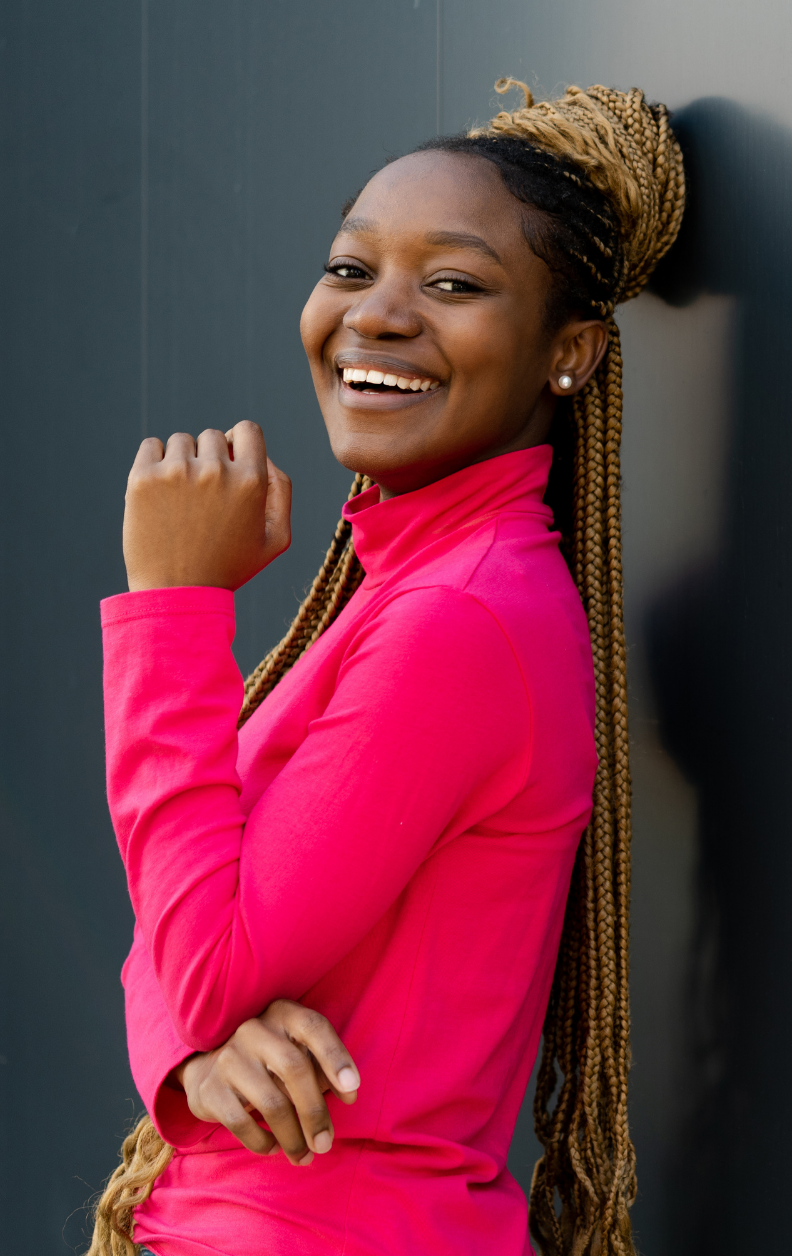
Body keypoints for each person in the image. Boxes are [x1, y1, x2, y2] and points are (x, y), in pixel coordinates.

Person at [89, 80, 684, 1256]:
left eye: (453, 284)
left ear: (567, 352)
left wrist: (171, 604)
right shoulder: (421, 587)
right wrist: (191, 1045)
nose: (378, 315)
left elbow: (201, 957)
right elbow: (183, 938)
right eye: (352, 269)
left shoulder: (461, 620)